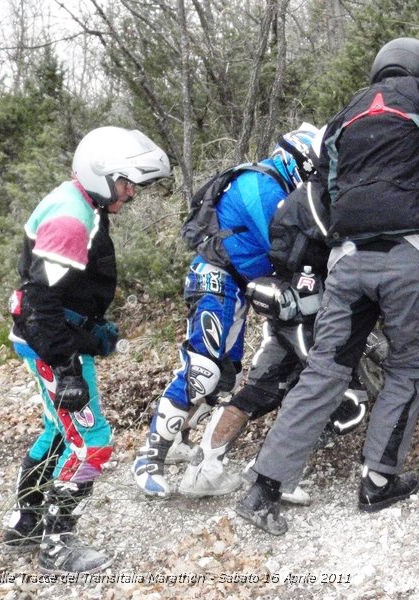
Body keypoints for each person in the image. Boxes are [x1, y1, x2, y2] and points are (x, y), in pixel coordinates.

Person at [234, 37, 419, 535]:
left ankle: (263, 490)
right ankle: (377, 481)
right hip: (405, 258)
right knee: (411, 366)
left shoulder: (342, 119)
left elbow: (326, 190)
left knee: (324, 371)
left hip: (348, 262)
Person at [4, 127, 171, 573]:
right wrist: (68, 367)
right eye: (125, 182)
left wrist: (89, 327)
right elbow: (42, 301)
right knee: (92, 444)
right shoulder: (72, 218)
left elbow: (55, 292)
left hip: (47, 334)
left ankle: (24, 523)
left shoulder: (78, 201)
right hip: (47, 340)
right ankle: (58, 546)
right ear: (100, 175)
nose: (131, 193)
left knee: (58, 431)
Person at [132, 124, 322, 499]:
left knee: (224, 378)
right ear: (295, 160)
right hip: (216, 279)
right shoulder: (261, 186)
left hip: (236, 285)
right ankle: (149, 456)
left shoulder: (274, 184)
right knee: (202, 371)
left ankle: (180, 439)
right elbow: (284, 246)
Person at [177, 174, 368, 501]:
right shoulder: (326, 204)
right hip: (307, 318)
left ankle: (205, 471)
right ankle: (272, 472)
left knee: (259, 391)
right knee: (345, 400)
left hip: (282, 310)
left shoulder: (292, 201)